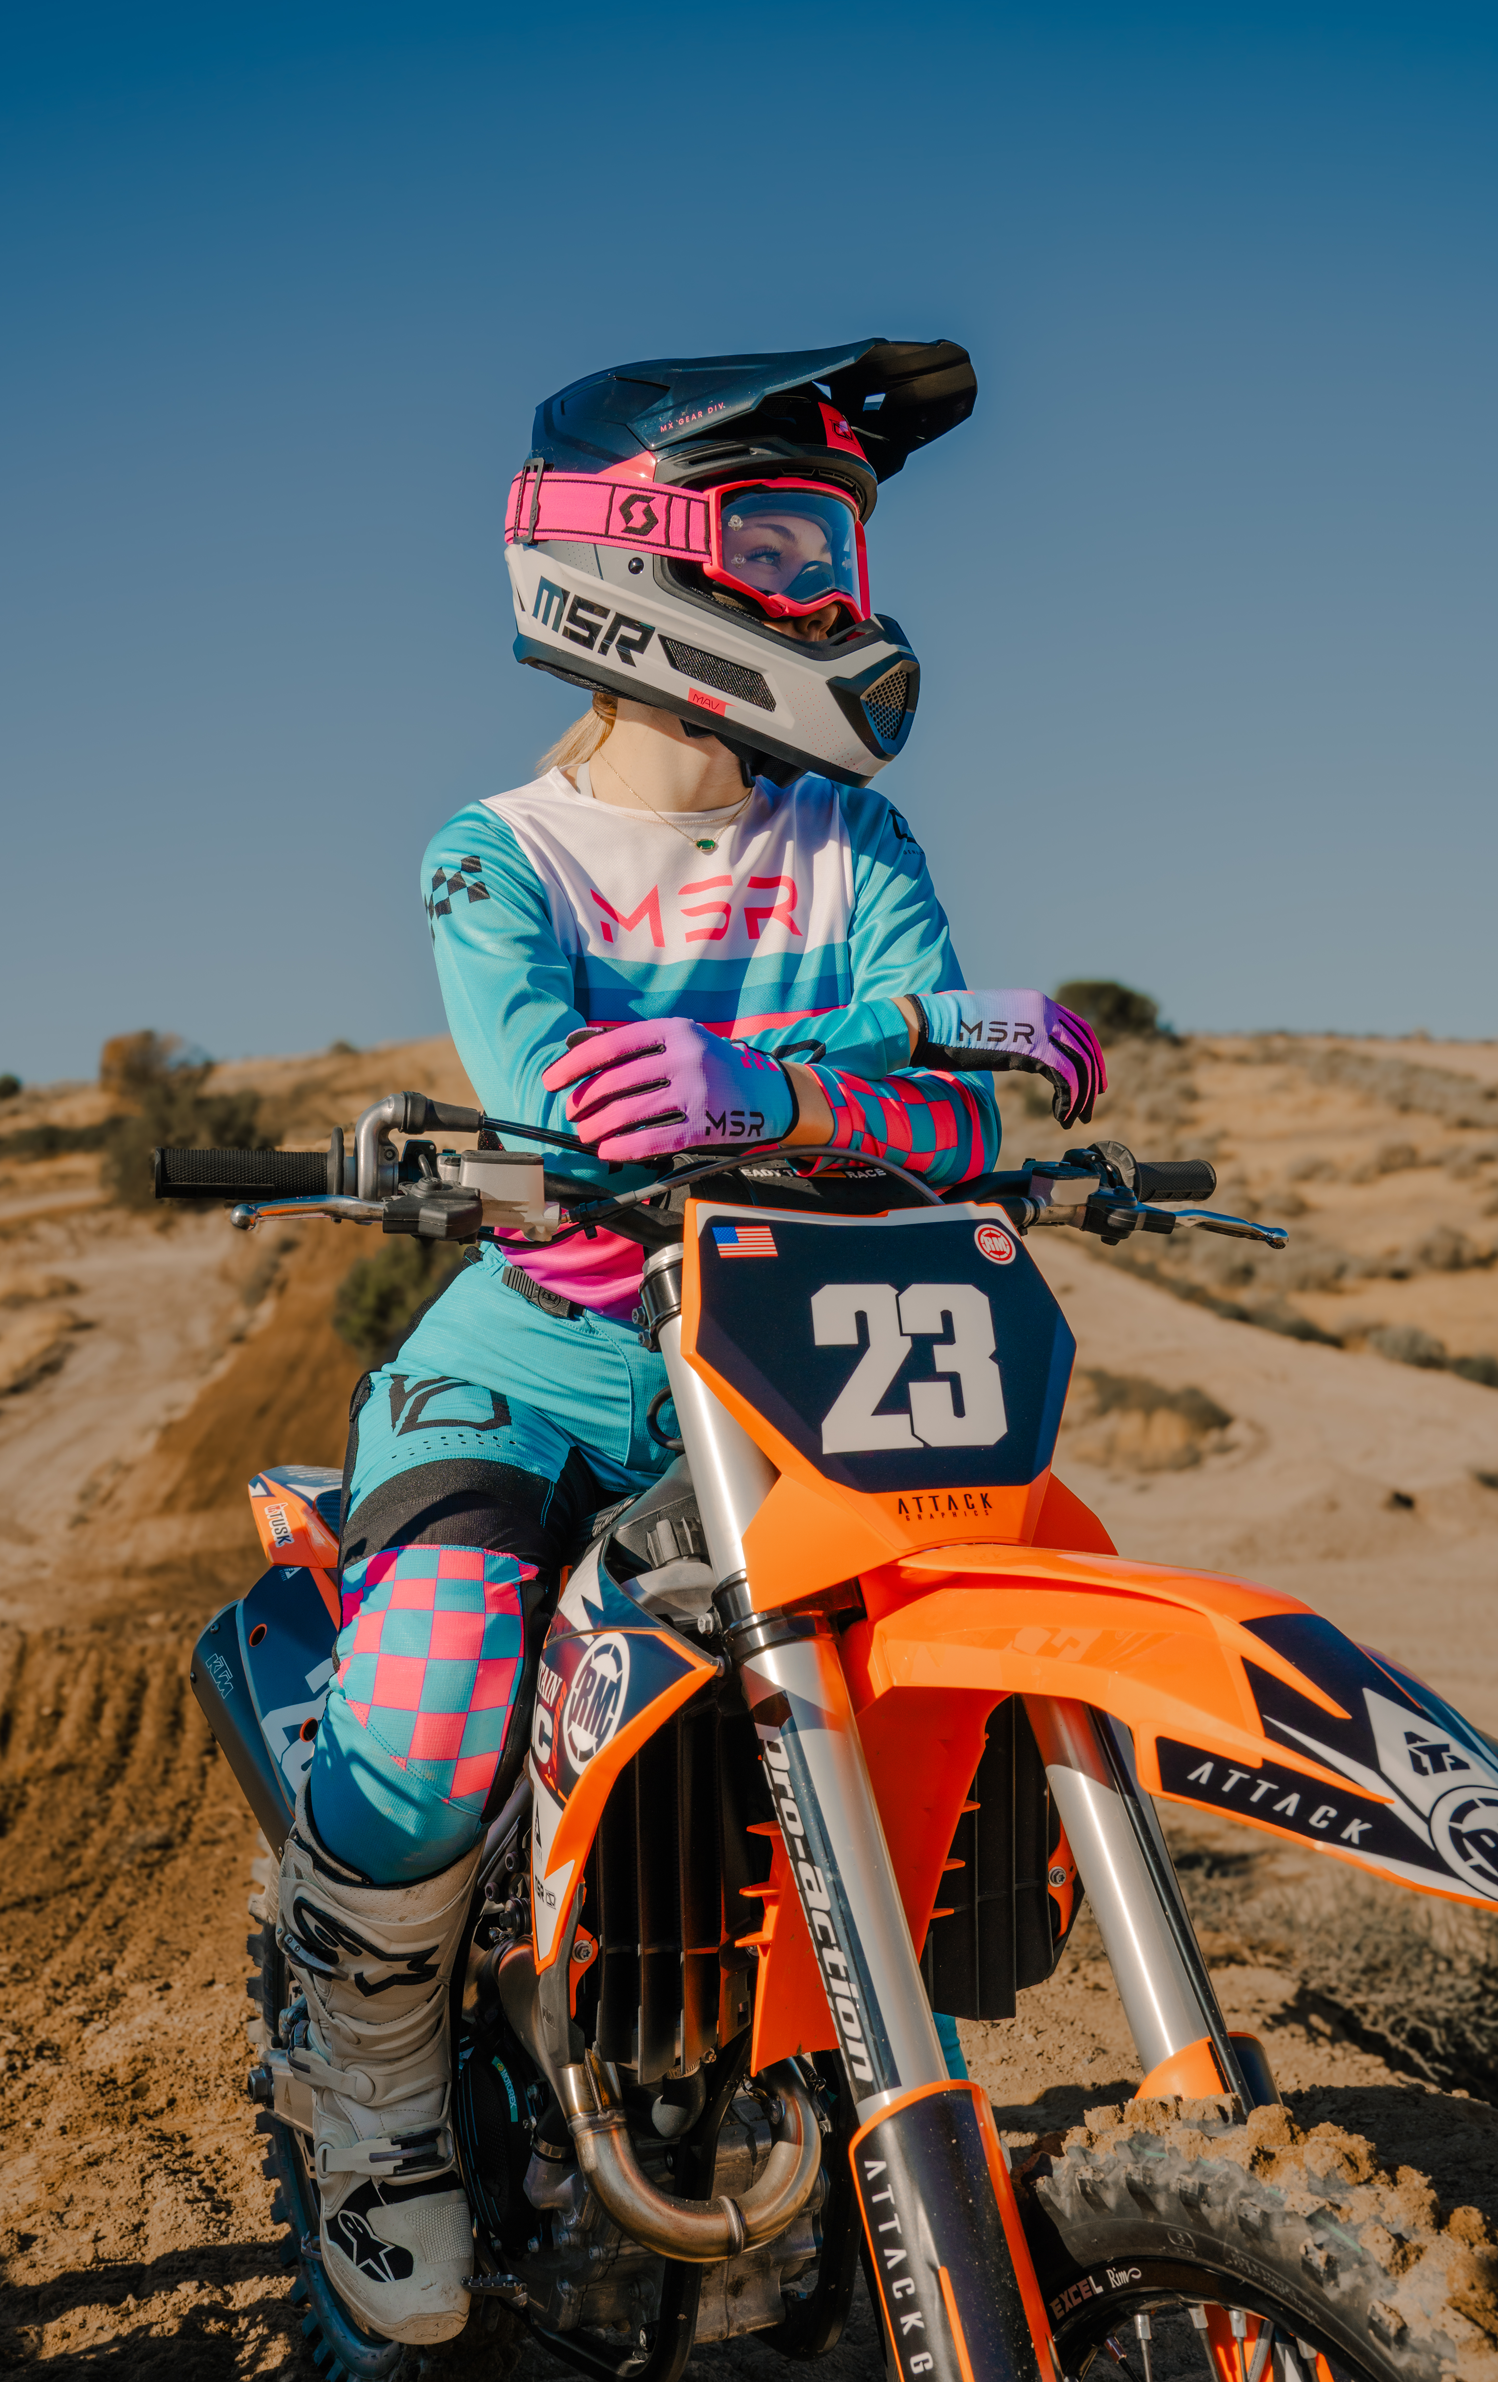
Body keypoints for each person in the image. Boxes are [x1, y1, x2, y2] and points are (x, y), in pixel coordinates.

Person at [276, 341, 1107, 2343]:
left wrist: (789, 1077)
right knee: (433, 1696)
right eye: (781, 538)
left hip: (803, 1378)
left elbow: (966, 1116)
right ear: (621, 561)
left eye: (839, 542)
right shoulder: (494, 853)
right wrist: (884, 1049)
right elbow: (580, 1115)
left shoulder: (846, 843)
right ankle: (367, 2095)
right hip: (536, 1372)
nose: (828, 592)